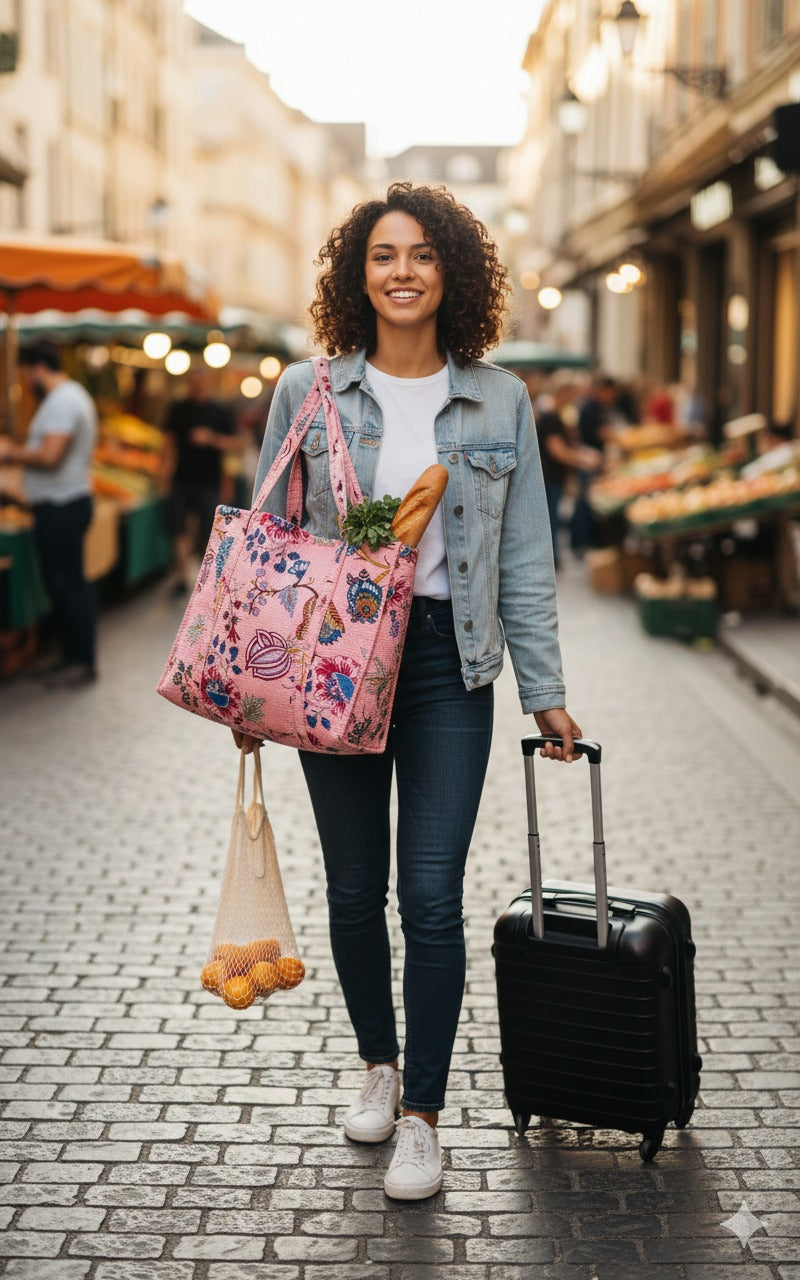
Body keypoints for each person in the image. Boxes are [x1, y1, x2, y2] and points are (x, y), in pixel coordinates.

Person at [237, 182, 582, 1201]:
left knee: (428, 896)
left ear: (452, 274)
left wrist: (543, 691)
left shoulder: (499, 399)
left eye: (422, 254)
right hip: (333, 664)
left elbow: (523, 557)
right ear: (357, 273)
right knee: (354, 891)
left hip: (443, 664)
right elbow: (272, 548)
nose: (400, 271)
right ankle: (377, 1063)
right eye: (382, 254)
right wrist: (256, 691)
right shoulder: (306, 395)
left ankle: (423, 1114)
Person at [0, 341, 98, 687]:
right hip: (66, 502)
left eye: (27, 371)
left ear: (38, 366)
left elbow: (51, 455)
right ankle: (71, 656)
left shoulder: (61, 401)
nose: (26, 379)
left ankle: (81, 660)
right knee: (66, 583)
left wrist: (11, 453)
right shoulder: (73, 396)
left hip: (62, 505)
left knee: (68, 584)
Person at [159, 368, 240, 595]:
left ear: (208, 384)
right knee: (178, 528)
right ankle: (183, 577)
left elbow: (235, 445)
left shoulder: (220, 411)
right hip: (181, 479)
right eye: (193, 382)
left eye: (201, 382)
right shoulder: (178, 409)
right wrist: (163, 474)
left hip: (210, 481)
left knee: (208, 531)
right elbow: (168, 443)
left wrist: (212, 439)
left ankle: (207, 579)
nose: (197, 386)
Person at [532, 376, 602, 569]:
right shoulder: (550, 418)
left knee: (552, 517)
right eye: (571, 395)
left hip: (552, 476)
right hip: (549, 477)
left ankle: (552, 558)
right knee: (550, 519)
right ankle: (551, 559)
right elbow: (558, 451)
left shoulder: (555, 416)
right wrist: (583, 460)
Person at [570, 374, 618, 555]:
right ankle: (580, 542)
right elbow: (596, 434)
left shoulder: (600, 407)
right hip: (588, 462)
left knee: (588, 502)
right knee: (585, 502)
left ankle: (586, 541)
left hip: (594, 460)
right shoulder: (589, 408)